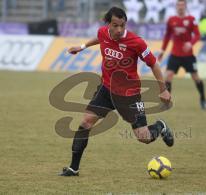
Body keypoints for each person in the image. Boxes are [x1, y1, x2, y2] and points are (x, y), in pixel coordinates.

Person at [59, 7, 174, 176]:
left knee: (143, 137)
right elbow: (99, 38)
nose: (119, 30)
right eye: (115, 25)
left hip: (129, 94)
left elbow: (154, 64)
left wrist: (163, 90)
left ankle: (160, 126)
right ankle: (73, 168)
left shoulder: (137, 42)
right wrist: (82, 46)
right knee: (85, 123)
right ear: (108, 24)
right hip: (106, 89)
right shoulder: (103, 32)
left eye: (122, 25)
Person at [158, 0, 206, 110]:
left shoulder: (191, 20)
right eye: (178, 5)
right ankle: (167, 101)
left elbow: (197, 35)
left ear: (185, 6)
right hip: (175, 54)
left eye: (182, 5)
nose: (180, 7)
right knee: (168, 76)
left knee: (196, 78)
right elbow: (167, 36)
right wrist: (162, 51)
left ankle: (203, 98)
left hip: (188, 56)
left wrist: (190, 43)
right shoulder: (171, 20)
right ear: (176, 7)